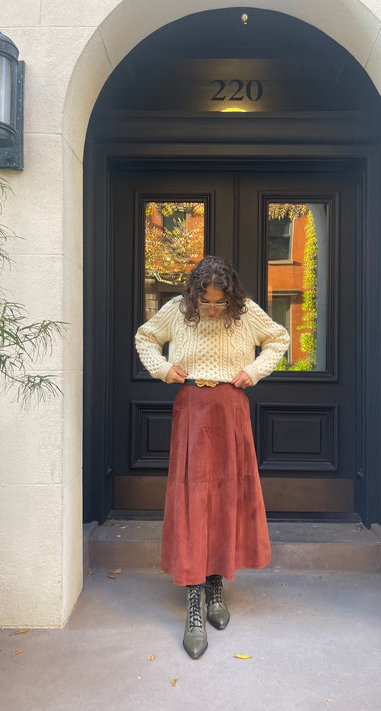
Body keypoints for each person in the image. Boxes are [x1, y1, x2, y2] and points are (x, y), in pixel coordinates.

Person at [135, 256, 290, 659]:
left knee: (224, 498)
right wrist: (162, 368)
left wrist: (253, 372)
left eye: (219, 302)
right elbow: (145, 337)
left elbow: (278, 338)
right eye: (205, 301)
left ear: (230, 296)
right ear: (194, 294)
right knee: (191, 499)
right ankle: (194, 597)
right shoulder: (177, 310)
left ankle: (215, 583)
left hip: (230, 408)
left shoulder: (245, 312)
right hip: (192, 407)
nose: (212, 309)